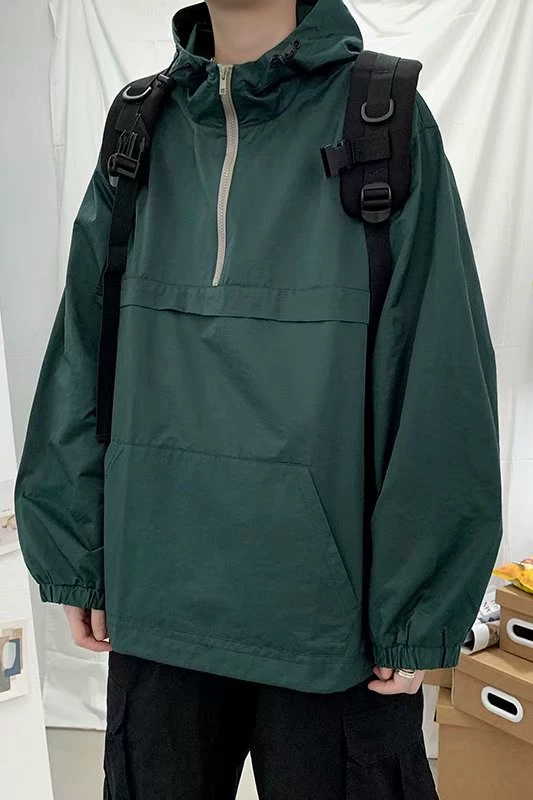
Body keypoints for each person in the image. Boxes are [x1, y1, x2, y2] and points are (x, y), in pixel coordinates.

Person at [15, 0, 502, 797]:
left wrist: (417, 609)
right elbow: (84, 345)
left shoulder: (382, 116)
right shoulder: (140, 123)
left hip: (332, 622)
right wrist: (78, 551)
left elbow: (437, 373)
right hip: (158, 593)